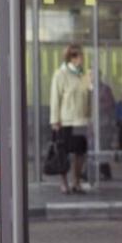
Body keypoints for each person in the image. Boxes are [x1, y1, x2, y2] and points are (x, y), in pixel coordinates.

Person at [50, 43, 91, 194]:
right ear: (71, 58)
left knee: (80, 152)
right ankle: (64, 182)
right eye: (79, 55)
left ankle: (76, 181)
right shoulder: (60, 74)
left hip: (81, 120)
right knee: (63, 152)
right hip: (65, 121)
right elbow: (55, 98)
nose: (82, 58)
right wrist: (55, 120)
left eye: (82, 55)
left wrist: (90, 118)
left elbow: (89, 97)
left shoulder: (84, 75)